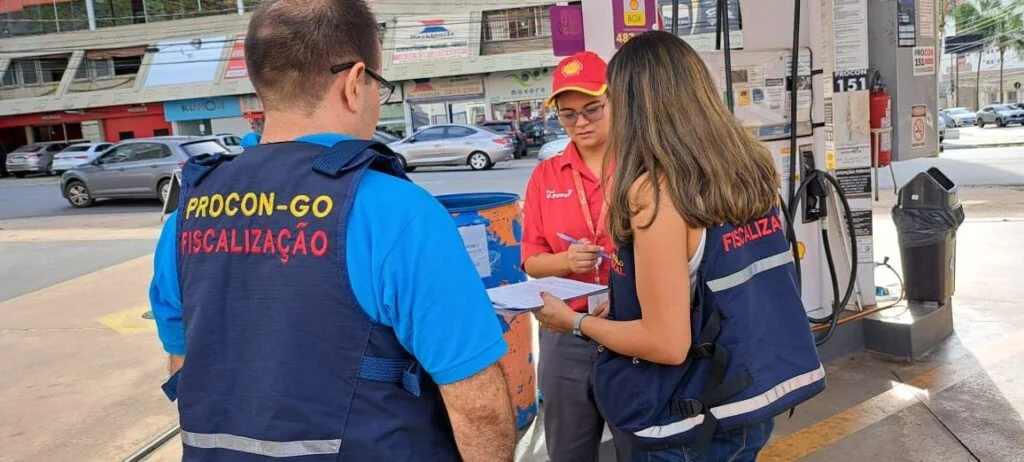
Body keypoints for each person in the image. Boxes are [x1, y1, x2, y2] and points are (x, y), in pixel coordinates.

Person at [148, 0, 516, 460]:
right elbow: (478, 405)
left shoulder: (186, 216)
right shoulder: (397, 212)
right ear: (355, 83)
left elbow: (186, 365)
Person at [532, 31, 826, 461]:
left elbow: (667, 343)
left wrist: (574, 324)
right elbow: (712, 275)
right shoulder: (750, 167)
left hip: (693, 421)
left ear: (632, 105)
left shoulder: (655, 192)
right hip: (748, 397)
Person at [520, 51, 631, 462]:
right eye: (568, 115)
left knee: (639, 447)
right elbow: (531, 259)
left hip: (629, 331)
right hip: (565, 334)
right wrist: (566, 261)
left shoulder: (641, 165)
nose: (580, 123)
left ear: (615, 99)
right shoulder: (546, 175)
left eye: (592, 109)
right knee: (568, 451)